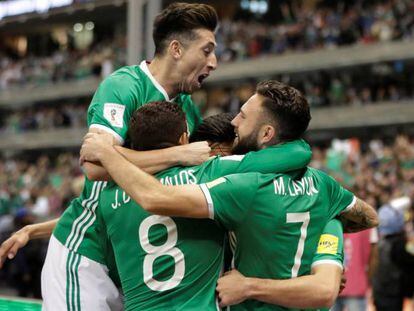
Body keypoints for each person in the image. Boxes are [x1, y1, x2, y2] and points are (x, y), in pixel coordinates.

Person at [81, 80, 379, 310]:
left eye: (243, 115)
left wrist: (108, 154)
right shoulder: (324, 188)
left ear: (266, 134)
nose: (234, 121)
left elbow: (152, 198)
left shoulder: (241, 186)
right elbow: (367, 218)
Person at [1, 3, 219, 310]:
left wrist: (35, 229)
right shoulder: (124, 86)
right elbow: (94, 167)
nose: (214, 62)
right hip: (86, 257)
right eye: (207, 50)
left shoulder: (188, 110)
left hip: (130, 264)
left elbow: (119, 194)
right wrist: (178, 154)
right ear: (176, 49)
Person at [96, 100, 313, 310]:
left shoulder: (108, 195)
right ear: (184, 139)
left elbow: (111, 267)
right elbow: (297, 153)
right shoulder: (208, 173)